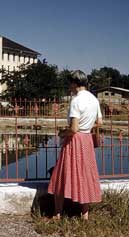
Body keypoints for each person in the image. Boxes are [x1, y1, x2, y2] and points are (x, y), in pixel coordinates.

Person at [47, 70, 103, 220]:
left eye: (69, 83)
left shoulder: (76, 101)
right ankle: (85, 215)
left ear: (74, 83)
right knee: (85, 173)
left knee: (61, 174)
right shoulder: (94, 99)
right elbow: (100, 122)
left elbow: (73, 128)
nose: (69, 86)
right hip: (86, 140)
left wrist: (62, 133)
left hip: (75, 141)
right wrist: (87, 126)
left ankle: (57, 213)